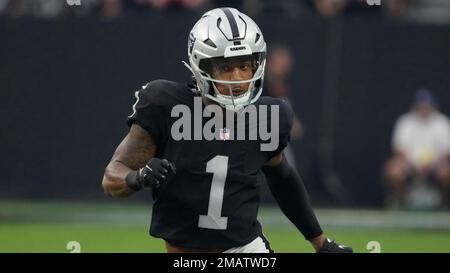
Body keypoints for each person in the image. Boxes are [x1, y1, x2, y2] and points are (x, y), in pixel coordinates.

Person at [102, 7, 352, 253]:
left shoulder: (266, 117)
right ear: (202, 67)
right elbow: (112, 178)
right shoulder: (165, 104)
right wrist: (138, 177)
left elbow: (283, 179)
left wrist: (321, 244)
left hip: (245, 249)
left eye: (244, 66)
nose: (237, 78)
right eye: (225, 67)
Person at [384, 89, 450, 209]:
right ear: (415, 106)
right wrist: (413, 165)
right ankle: (401, 202)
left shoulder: (442, 122)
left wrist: (431, 165)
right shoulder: (405, 121)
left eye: (427, 105)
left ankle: (443, 204)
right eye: (421, 105)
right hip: (409, 164)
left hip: (435, 164)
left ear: (433, 106)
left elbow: (446, 151)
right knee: (393, 170)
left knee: (447, 172)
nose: (424, 108)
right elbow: (399, 149)